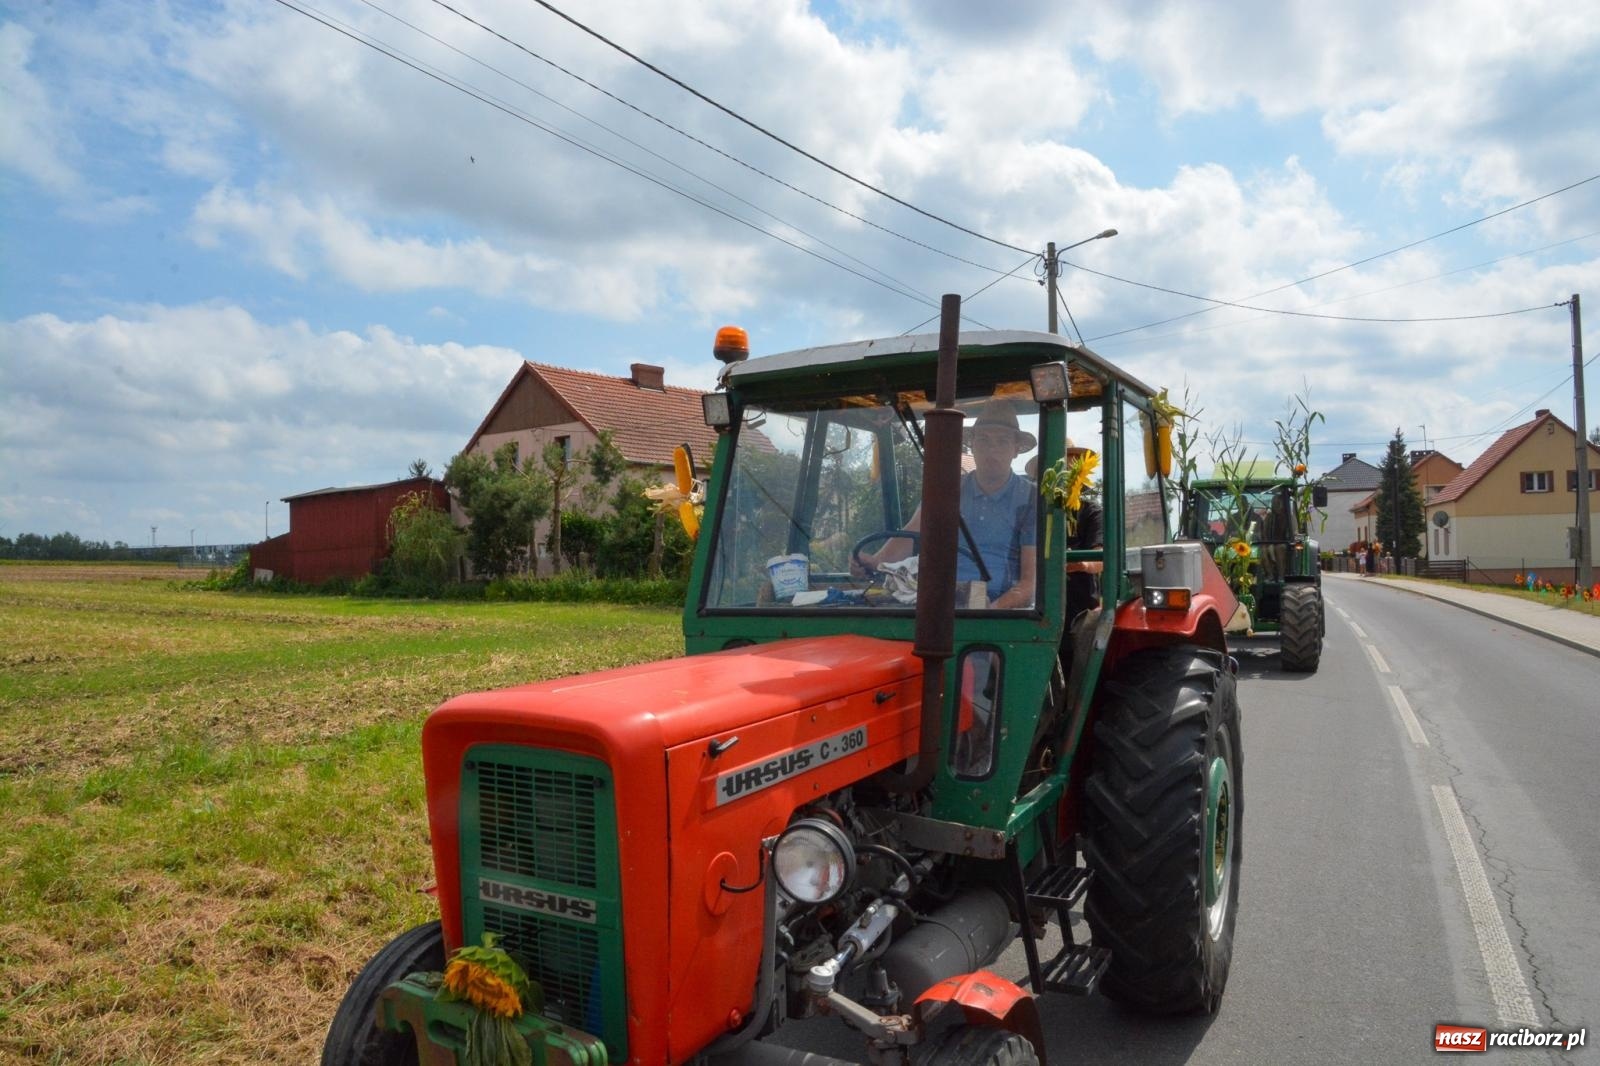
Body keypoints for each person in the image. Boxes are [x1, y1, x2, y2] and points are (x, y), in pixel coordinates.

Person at [855, 398, 1037, 608]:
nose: (991, 450)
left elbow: (1028, 583)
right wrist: (875, 563)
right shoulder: (947, 489)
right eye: (984, 440)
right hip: (938, 602)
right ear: (972, 444)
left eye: (1002, 441)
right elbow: (912, 534)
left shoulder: (1029, 498)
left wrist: (990, 611)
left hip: (1001, 611)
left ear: (1016, 449)